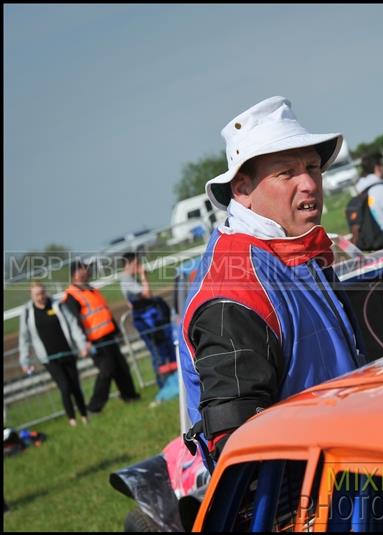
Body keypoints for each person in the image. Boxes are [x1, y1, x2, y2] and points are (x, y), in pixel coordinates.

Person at [180, 96, 365, 464]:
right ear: (242, 191)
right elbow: (239, 445)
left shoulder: (294, 247)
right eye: (286, 173)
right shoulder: (235, 289)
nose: (309, 183)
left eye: (313, 166)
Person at [63, 260, 140, 413]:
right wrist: (84, 343)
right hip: (95, 341)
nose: (89, 271)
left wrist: (116, 330)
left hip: (109, 335)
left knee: (121, 367)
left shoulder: (91, 289)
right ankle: (94, 407)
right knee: (107, 370)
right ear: (76, 273)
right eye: (85, 269)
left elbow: (104, 311)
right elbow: (74, 323)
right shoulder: (71, 296)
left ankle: (130, 396)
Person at [18, 282, 90, 427]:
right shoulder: (27, 312)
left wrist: (82, 344)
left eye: (42, 293)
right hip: (49, 358)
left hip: (68, 352)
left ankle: (84, 415)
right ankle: (72, 420)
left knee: (75, 386)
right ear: (31, 296)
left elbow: (73, 325)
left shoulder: (57, 305)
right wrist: (24, 361)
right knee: (64, 387)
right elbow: (24, 338)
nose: (40, 297)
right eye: (37, 294)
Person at [119, 252, 176, 389]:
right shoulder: (127, 279)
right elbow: (147, 294)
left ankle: (171, 381)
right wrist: (144, 276)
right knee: (158, 353)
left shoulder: (131, 279)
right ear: (128, 264)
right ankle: (163, 385)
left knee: (165, 349)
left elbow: (132, 303)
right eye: (136, 263)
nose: (139, 266)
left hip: (150, 320)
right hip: (147, 322)